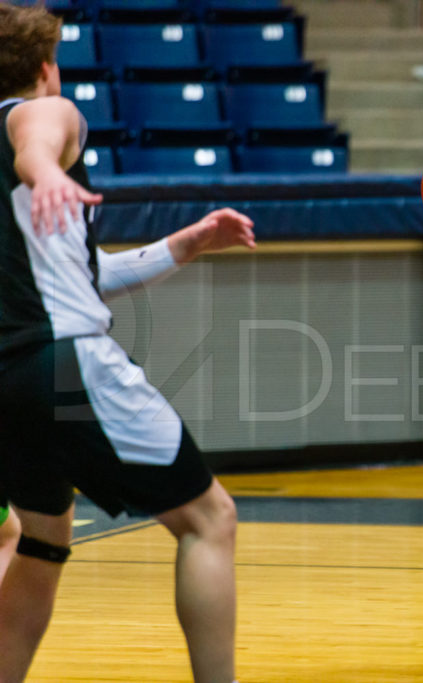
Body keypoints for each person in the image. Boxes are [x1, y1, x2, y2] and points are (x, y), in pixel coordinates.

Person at [0, 5, 255, 681]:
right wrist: (46, 169)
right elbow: (36, 131)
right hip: (64, 363)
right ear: (47, 69)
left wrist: (188, 241)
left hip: (9, 380)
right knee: (209, 518)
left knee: (42, 541)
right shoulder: (45, 115)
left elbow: (89, 273)